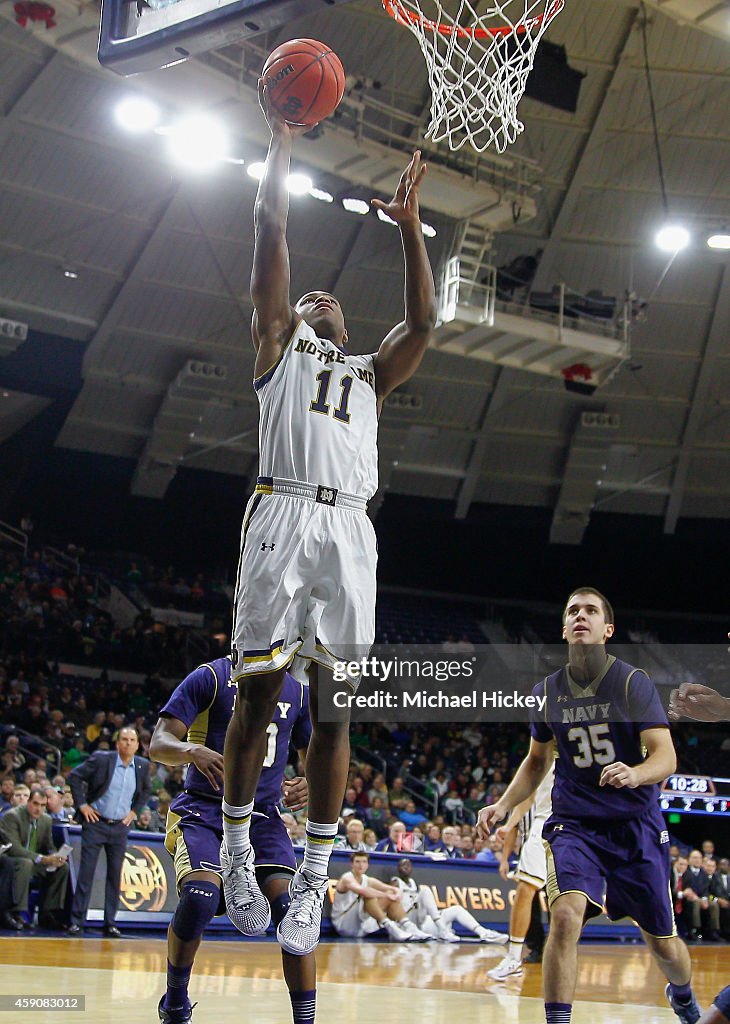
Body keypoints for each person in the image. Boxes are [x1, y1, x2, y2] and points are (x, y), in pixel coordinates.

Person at [221, 77, 436, 959]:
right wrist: (281, 140)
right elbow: (271, 228)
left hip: (350, 530)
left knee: (337, 710)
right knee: (260, 692)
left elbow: (424, 318)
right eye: (308, 298)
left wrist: (412, 233)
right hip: (280, 517)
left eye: (328, 301)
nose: (316, 298)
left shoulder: (370, 375)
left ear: (345, 324)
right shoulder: (276, 344)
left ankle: (314, 872)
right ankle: (238, 847)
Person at [477, 587, 701, 1024]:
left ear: (607, 630)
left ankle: (684, 993)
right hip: (574, 824)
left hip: (636, 824)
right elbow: (537, 760)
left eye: (591, 611)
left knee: (663, 945)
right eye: (573, 611)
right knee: (565, 914)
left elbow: (666, 756)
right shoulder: (546, 692)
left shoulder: (633, 682)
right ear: (564, 628)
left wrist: (636, 773)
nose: (581, 616)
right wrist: (503, 805)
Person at [149, 658, 314, 1024]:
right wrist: (191, 750)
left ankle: (305, 1020)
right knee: (200, 897)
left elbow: (313, 755)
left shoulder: (299, 690)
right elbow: (158, 743)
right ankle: (175, 1000)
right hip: (204, 809)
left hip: (263, 816)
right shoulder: (211, 676)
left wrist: (308, 781)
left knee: (292, 914)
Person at [67, 726, 151, 937]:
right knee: (86, 873)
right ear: (117, 743)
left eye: (132, 740)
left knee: (115, 876)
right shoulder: (102, 759)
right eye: (124, 739)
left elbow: (146, 790)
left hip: (120, 827)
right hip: (96, 823)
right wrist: (82, 805)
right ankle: (76, 921)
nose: (128, 743)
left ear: (138, 745)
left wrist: (134, 811)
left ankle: (110, 923)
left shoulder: (142, 765)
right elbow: (74, 777)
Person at [488, 762, 555, 980]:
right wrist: (508, 824)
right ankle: (514, 956)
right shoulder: (546, 749)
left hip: (579, 824)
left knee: (564, 904)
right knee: (525, 889)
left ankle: (557, 955)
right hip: (543, 824)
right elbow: (528, 793)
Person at [391, 857, 507, 944]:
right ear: (397, 869)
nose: (406, 867)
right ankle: (442, 929)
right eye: (403, 865)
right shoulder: (395, 882)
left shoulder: (413, 883)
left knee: (456, 909)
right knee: (425, 890)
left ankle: (483, 932)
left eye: (408, 865)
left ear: (412, 869)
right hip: (404, 924)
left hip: (421, 925)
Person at [1, 787, 70, 930]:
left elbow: (48, 846)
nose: (39, 809)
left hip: (35, 862)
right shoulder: (12, 816)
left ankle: (48, 913)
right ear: (28, 802)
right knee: (25, 863)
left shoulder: (46, 820)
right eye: (35, 804)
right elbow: (14, 849)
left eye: (43, 805)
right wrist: (43, 859)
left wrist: (56, 856)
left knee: (63, 868)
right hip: (12, 860)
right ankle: (17, 912)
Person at [330, 852, 428, 942]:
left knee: (388, 893)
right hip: (344, 924)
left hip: (361, 925)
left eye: (364, 862)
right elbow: (363, 891)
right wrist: (387, 895)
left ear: (367, 865)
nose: (361, 865)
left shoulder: (367, 879)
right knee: (370, 895)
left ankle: (407, 926)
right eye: (357, 862)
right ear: (351, 864)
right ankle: (391, 927)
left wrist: (396, 893)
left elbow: (394, 890)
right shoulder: (347, 878)